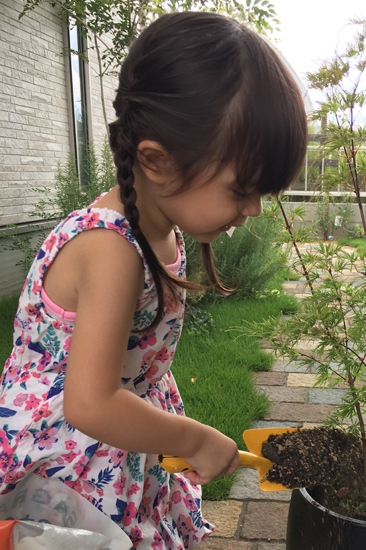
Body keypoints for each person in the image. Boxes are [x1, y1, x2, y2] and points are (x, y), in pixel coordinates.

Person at [0, 11, 307, 549]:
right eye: (242, 190)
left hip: (119, 442)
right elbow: (90, 403)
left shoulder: (162, 227)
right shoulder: (110, 249)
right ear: (157, 162)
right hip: (70, 466)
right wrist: (193, 437)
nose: (254, 209)